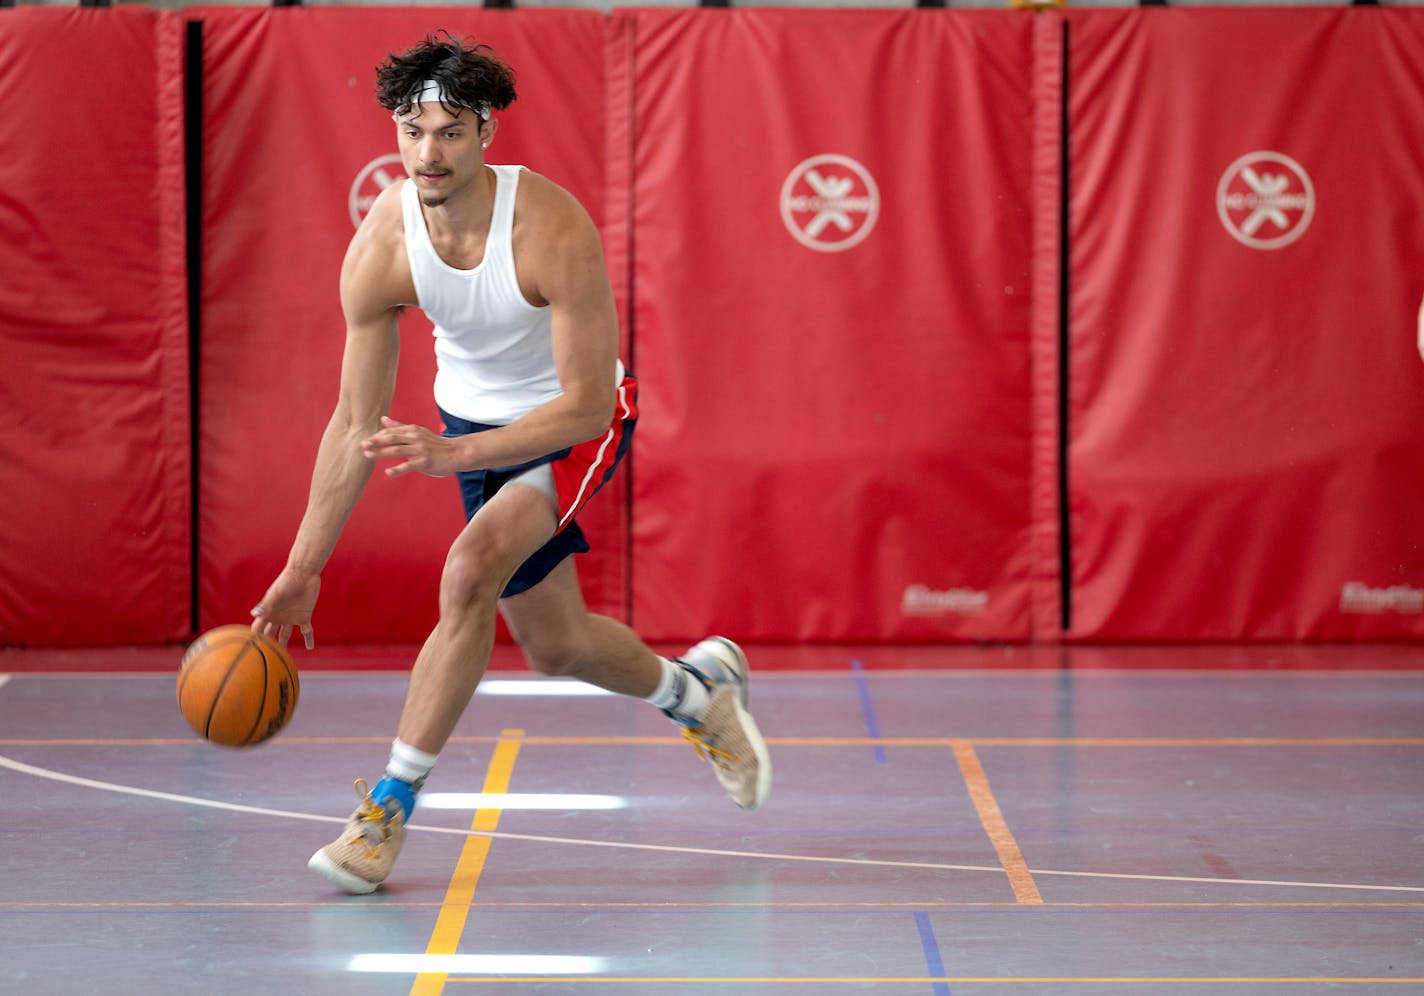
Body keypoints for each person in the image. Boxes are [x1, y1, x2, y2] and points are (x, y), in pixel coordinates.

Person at [250, 32, 771, 895]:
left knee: (466, 576)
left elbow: (586, 405)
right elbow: (353, 423)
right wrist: (304, 568)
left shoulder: (549, 225)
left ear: (487, 132)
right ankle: (699, 693)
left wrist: (453, 453)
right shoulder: (383, 244)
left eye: (450, 131)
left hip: (574, 425)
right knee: (556, 645)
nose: (429, 151)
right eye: (411, 130)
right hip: (474, 427)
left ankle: (385, 811)